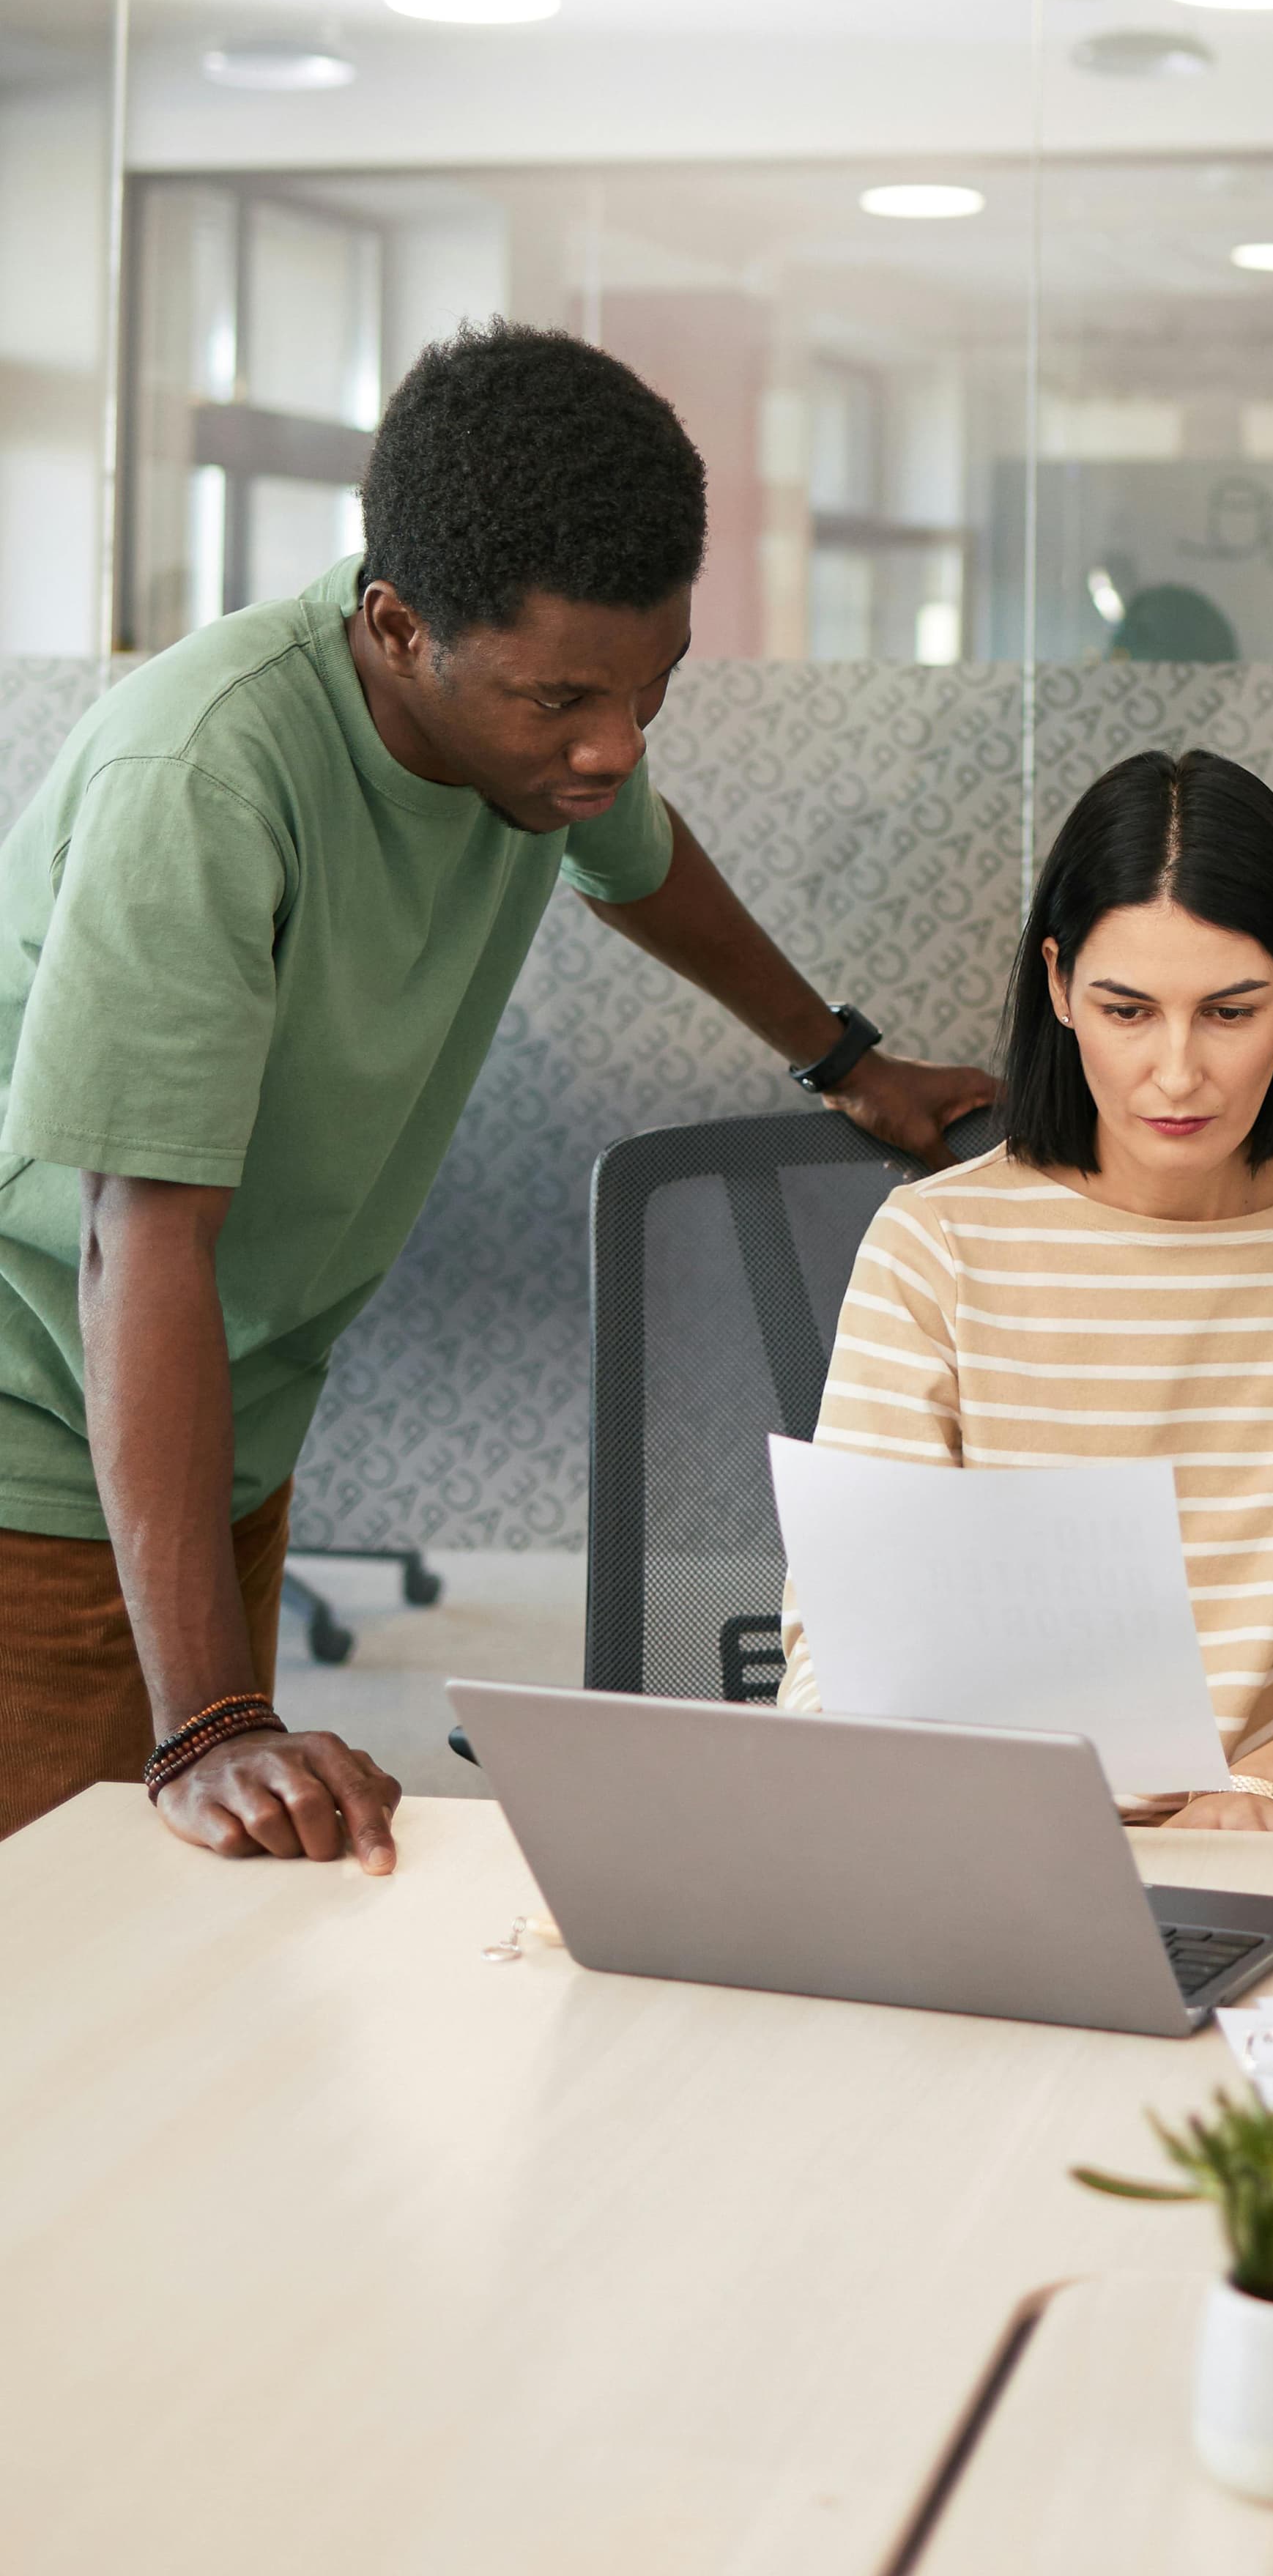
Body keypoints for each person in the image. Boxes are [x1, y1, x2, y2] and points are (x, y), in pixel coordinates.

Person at [0, 322, 996, 1868]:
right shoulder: (203, 779)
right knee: (66, 1990)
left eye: (651, 686)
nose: (615, 745)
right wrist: (206, 1719)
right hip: (39, 1438)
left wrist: (843, 1060)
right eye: (563, 703)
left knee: (218, 1921)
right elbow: (140, 1239)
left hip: (214, 1432)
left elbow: (639, 870)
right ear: (396, 627)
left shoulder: (529, 735)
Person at [781, 747, 1273, 1832]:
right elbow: (846, 1632)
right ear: (1059, 986)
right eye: (1127, 1010)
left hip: (1251, 1847)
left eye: (1230, 1012)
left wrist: (1269, 1784)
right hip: (977, 1840)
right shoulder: (940, 1242)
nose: (1178, 1073)